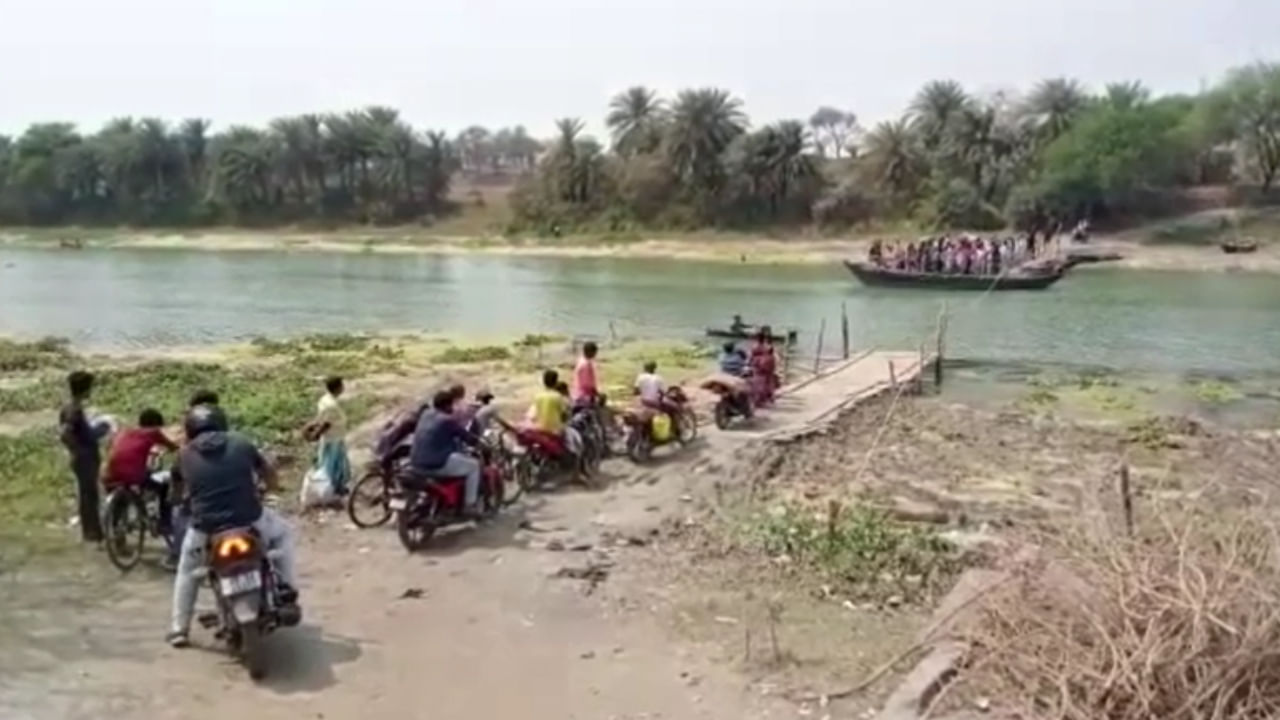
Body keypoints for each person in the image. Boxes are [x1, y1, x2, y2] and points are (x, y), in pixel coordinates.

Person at [167, 404, 298, 648]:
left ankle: (179, 629)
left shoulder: (183, 455)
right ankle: (287, 590)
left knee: (187, 571)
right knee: (283, 535)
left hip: (206, 527)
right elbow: (268, 473)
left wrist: (181, 502)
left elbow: (176, 493)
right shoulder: (241, 442)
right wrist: (271, 487)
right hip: (249, 519)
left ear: (190, 429)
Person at [103, 408, 178, 532]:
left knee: (120, 499)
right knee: (163, 487)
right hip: (132, 474)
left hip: (110, 472)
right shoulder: (153, 432)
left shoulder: (126, 431)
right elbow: (171, 446)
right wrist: (176, 448)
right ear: (156, 424)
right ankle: (165, 523)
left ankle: (117, 530)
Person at [408, 390, 482, 516]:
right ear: (447, 405)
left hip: (415, 462)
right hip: (436, 464)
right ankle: (470, 505)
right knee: (474, 466)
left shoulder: (426, 414)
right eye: (451, 405)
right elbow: (467, 437)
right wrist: (478, 443)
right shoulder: (447, 420)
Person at [59, 370, 107, 543]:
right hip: (85, 458)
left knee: (87, 495)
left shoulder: (68, 407)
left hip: (81, 456)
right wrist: (100, 430)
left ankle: (91, 532)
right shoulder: (75, 410)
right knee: (89, 496)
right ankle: (93, 534)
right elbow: (66, 433)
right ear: (86, 389)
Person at [310, 376, 351, 496]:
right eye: (341, 385)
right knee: (334, 465)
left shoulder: (324, 400)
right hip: (334, 439)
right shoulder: (331, 405)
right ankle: (334, 488)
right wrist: (316, 434)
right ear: (338, 388)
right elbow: (326, 423)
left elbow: (321, 419)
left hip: (331, 438)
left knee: (326, 461)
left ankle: (330, 487)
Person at [528, 369, 581, 457]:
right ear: (556, 382)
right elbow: (564, 414)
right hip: (554, 431)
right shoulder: (558, 397)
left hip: (539, 429)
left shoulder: (538, 396)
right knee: (571, 439)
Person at [749, 330, 779, 405]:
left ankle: (759, 399)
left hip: (757, 365)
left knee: (758, 382)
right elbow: (772, 355)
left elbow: (751, 357)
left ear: (757, 338)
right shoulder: (767, 346)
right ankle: (769, 397)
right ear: (764, 338)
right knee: (767, 381)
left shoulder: (754, 346)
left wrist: (750, 363)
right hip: (766, 364)